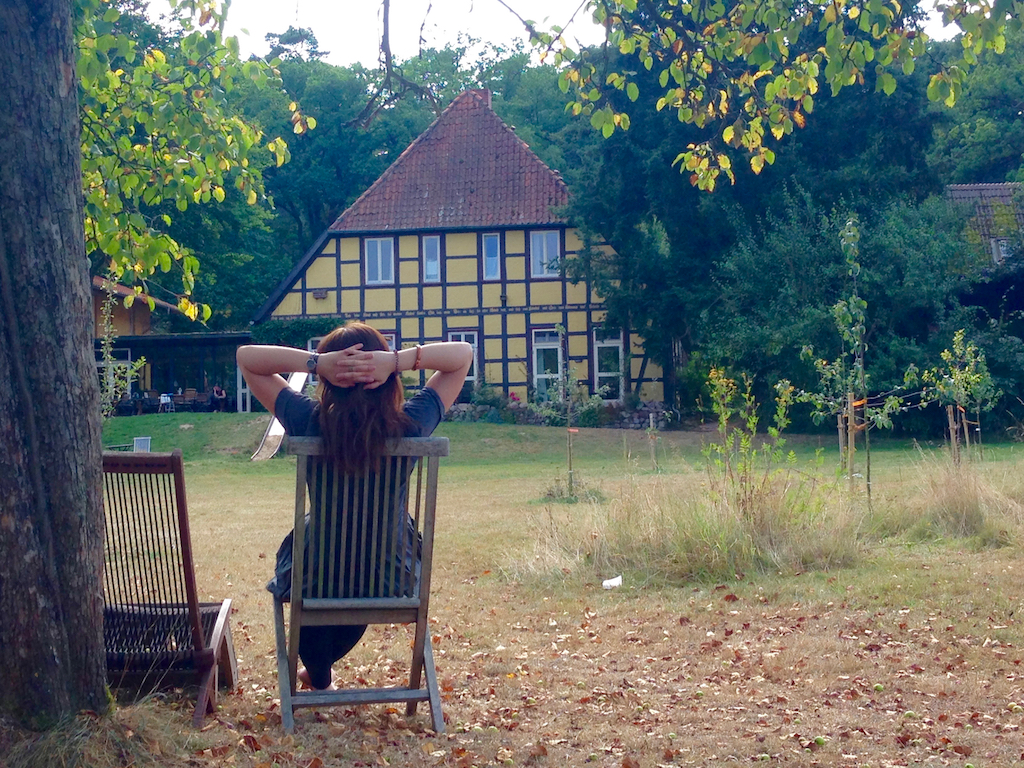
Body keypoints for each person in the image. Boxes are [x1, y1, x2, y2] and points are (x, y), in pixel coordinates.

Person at [236, 324, 472, 691]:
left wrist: (316, 363)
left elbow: (247, 359)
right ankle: (318, 671)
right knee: (362, 565)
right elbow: (462, 357)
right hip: (390, 579)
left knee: (320, 559)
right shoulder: (411, 424)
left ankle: (317, 672)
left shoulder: (308, 420)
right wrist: (397, 361)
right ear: (388, 378)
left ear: (329, 381)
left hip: (317, 581)